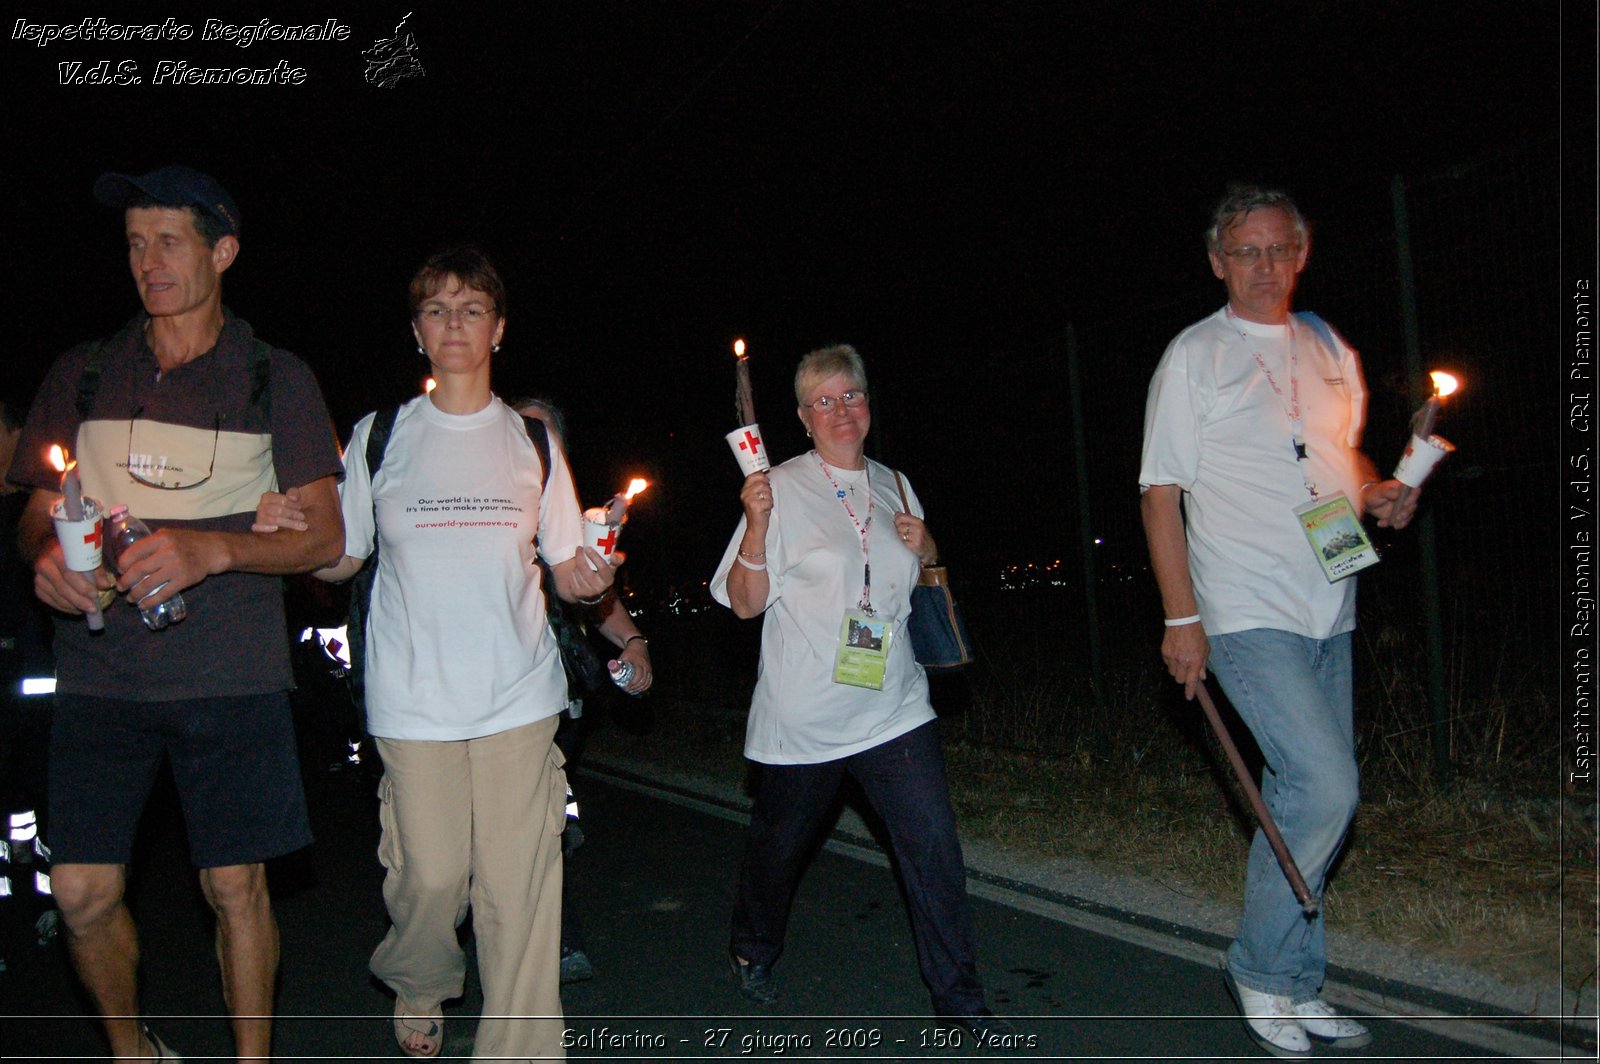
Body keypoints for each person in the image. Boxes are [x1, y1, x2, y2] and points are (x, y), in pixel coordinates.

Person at [8, 165, 346, 1060]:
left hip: (230, 671)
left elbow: (324, 538)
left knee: (234, 885)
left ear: (222, 251)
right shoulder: (82, 375)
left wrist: (217, 548)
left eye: (169, 241)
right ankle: (133, 1052)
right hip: (98, 671)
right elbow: (37, 518)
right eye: (133, 243)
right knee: (79, 892)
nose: (147, 262)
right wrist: (45, 559)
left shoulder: (277, 378)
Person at [257, 248, 617, 1060]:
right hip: (413, 698)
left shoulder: (532, 439)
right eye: (437, 309)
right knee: (430, 876)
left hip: (519, 694)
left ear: (498, 327)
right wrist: (291, 537)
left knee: (519, 889)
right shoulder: (380, 436)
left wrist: (589, 578)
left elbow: (566, 562)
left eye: (472, 308)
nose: (455, 323)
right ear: (417, 332)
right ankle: (421, 976)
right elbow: (341, 556)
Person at [1138, 184, 1417, 1057]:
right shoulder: (1196, 355)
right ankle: (1258, 966)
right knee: (1328, 788)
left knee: (1310, 800)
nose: (1264, 267)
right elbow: (1159, 493)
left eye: (1278, 250)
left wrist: (1376, 486)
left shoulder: (1329, 344)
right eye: (1245, 253)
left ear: (1301, 255)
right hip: (1245, 607)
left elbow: (1337, 449)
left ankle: (1298, 980)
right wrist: (1182, 618)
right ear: (1218, 262)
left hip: (1329, 601)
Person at [710, 344, 1006, 1035]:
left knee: (933, 849)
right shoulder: (777, 487)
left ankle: (960, 1004)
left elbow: (920, 582)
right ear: (803, 418)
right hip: (805, 720)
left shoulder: (896, 484)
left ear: (868, 403)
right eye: (824, 400)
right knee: (778, 850)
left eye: (852, 395)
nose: (841, 410)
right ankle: (753, 944)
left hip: (894, 707)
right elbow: (744, 603)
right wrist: (755, 526)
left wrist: (929, 547)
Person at [512, 398, 653, 985]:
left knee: (544, 823)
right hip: (473, 699)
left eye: (542, 434)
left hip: (552, 701)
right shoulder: (480, 509)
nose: (529, 442)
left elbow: (595, 600)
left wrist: (635, 644)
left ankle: (556, 940)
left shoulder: (576, 520)